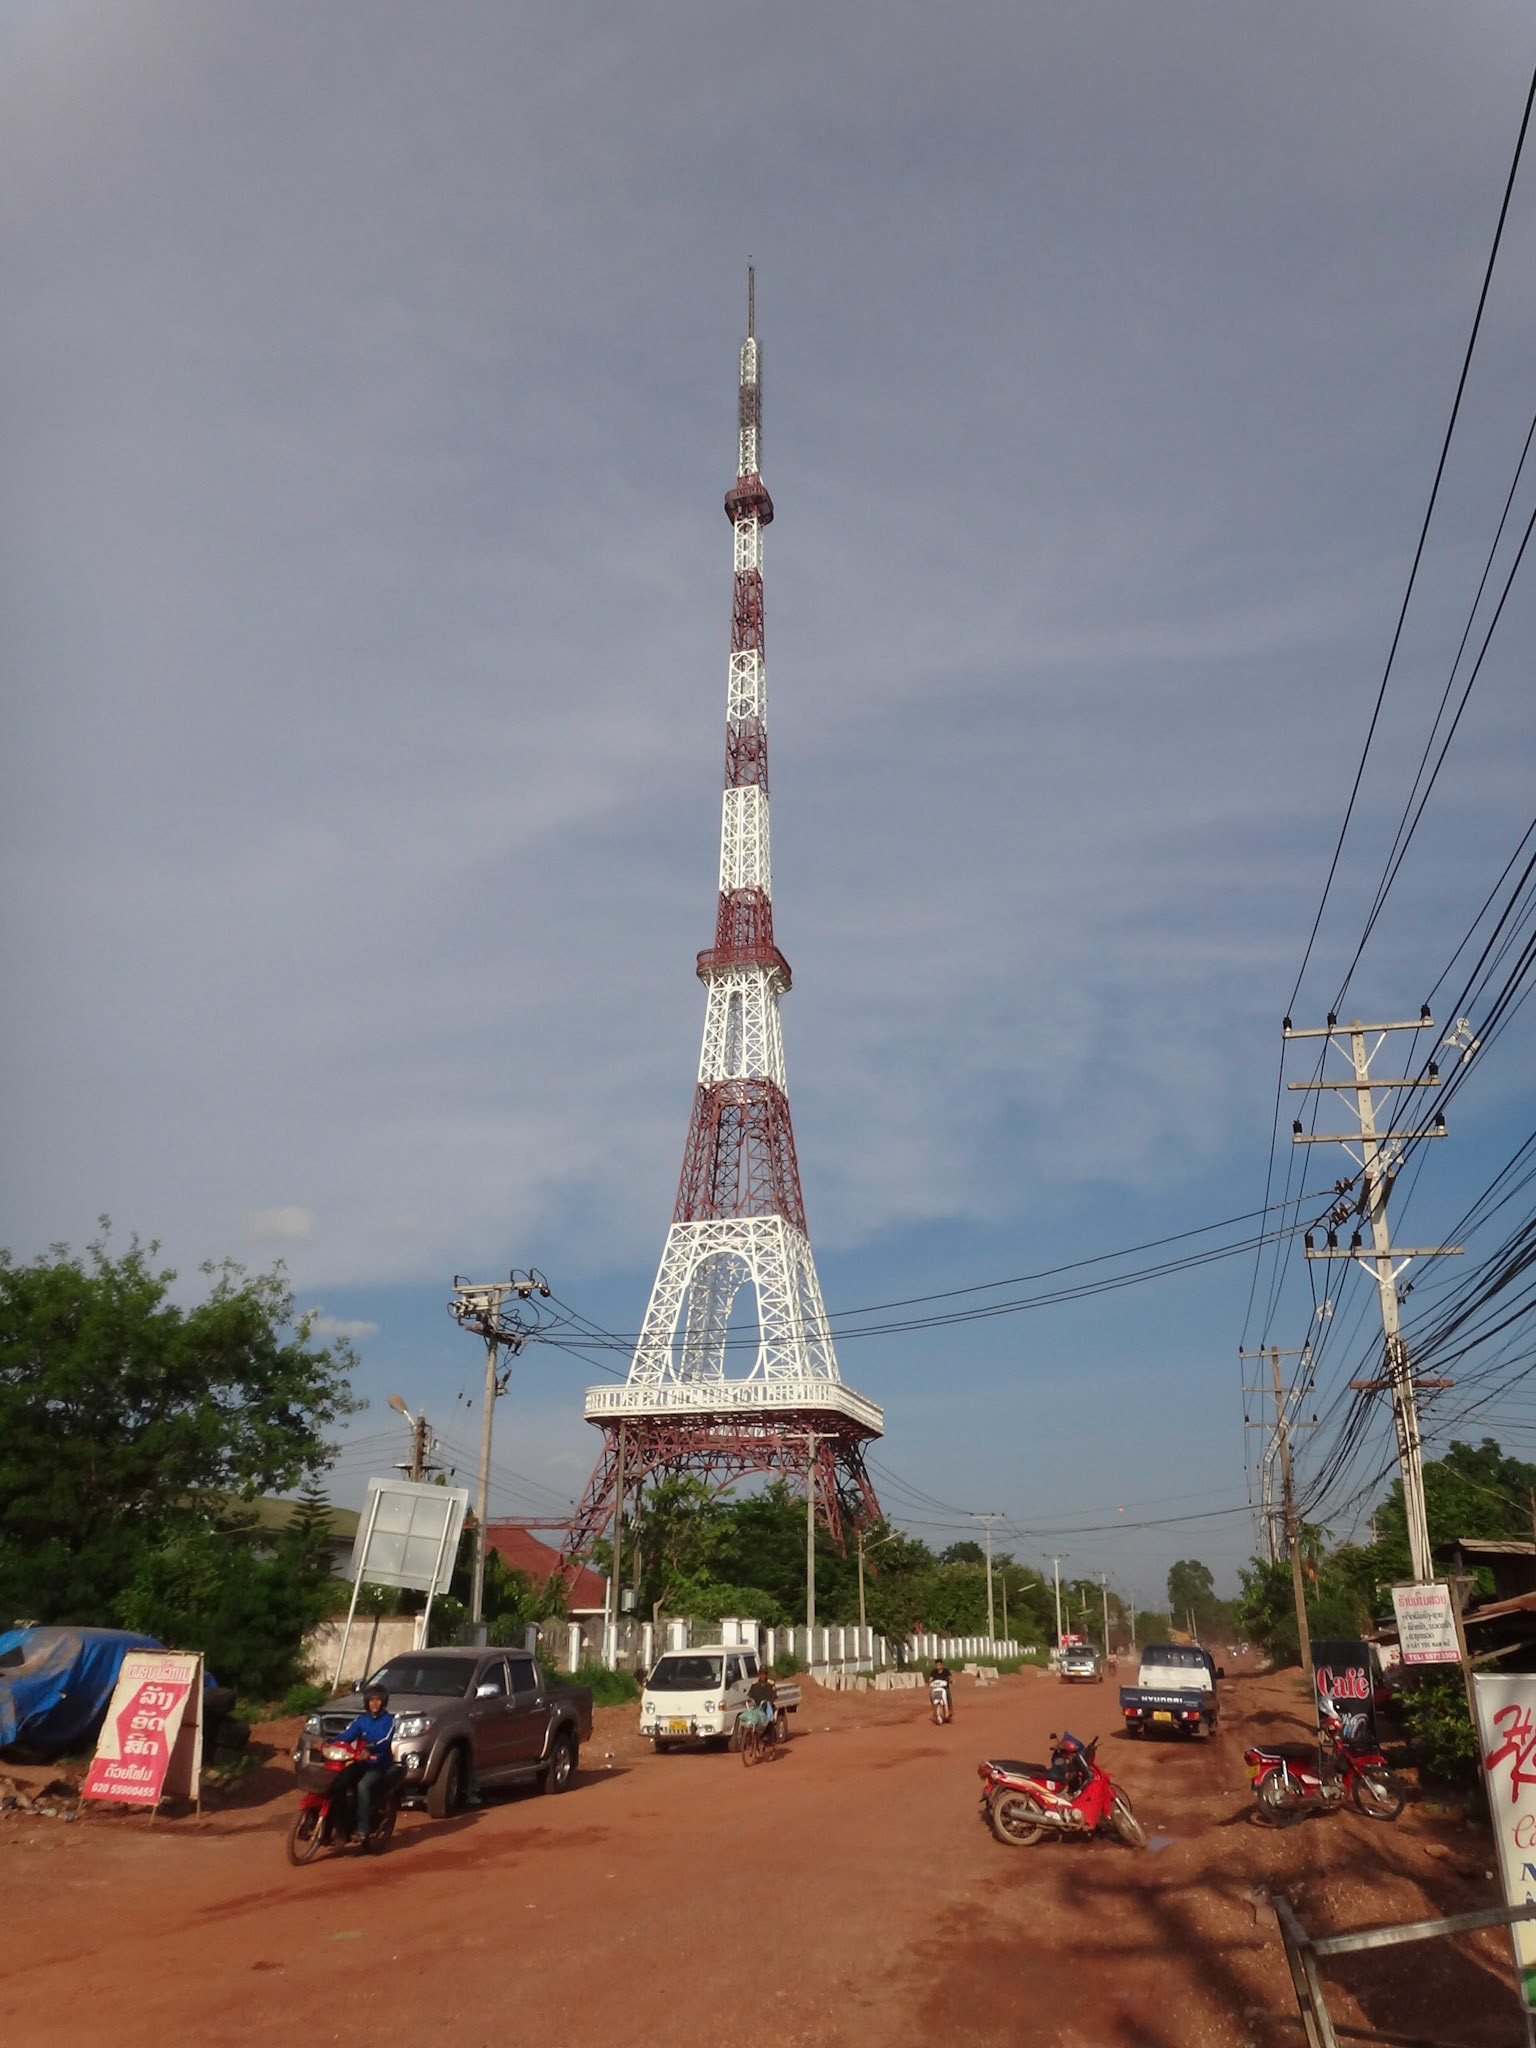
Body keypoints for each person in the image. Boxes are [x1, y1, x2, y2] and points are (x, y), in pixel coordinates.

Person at [335, 1685, 396, 1842]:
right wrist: (326, 1743)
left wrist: (371, 1749)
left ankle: (363, 1828)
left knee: (363, 1785)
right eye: (371, 1700)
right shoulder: (362, 1720)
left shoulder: (388, 1720)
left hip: (380, 1764)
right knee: (339, 1780)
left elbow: (385, 1741)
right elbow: (347, 1735)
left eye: (378, 1700)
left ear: (383, 1702)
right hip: (361, 1761)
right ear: (366, 1702)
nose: (374, 1703)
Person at [747, 1667, 777, 1732]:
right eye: (761, 1674)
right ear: (759, 1675)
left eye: (764, 1674)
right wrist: (749, 1699)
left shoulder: (771, 1684)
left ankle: (768, 1734)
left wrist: (770, 1702)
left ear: (767, 1675)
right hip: (757, 1707)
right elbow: (750, 1695)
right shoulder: (754, 1684)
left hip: (767, 1707)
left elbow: (774, 1695)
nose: (762, 1676)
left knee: (769, 1721)